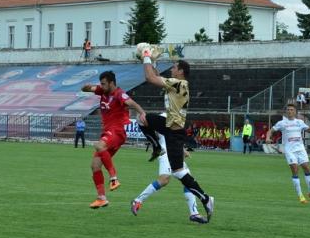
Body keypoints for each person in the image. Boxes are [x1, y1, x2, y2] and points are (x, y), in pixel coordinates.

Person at [136, 43, 215, 221]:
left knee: (179, 172)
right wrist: (153, 62)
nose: (171, 69)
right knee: (142, 118)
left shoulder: (180, 84)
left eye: (174, 67)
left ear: (180, 72)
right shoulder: (177, 84)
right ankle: (157, 148)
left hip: (174, 131)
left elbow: (150, 78)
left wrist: (146, 55)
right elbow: (155, 76)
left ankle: (205, 198)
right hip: (169, 125)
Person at [81, 70, 146, 209]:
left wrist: (142, 113)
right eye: (101, 84)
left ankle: (114, 178)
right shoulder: (102, 90)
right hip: (108, 132)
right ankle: (101, 198)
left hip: (117, 131)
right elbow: (87, 89)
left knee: (99, 146)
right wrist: (86, 87)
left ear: (111, 83)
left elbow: (132, 103)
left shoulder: (119, 94)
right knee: (95, 165)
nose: (101, 86)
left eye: (104, 84)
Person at [131, 117, 208, 224]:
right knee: (164, 180)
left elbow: (172, 138)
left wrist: (182, 150)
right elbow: (160, 135)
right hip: (165, 153)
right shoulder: (163, 118)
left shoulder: (173, 118)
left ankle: (194, 213)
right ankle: (137, 200)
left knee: (188, 181)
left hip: (173, 152)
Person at [266, 104, 310, 204]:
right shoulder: (282, 123)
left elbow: (309, 130)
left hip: (300, 149)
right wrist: (267, 138)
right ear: (286, 112)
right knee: (295, 169)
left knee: (307, 168)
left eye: (292, 110)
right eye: (288, 110)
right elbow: (270, 131)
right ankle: (300, 195)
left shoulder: (300, 122)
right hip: (290, 150)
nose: (290, 111)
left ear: (295, 112)